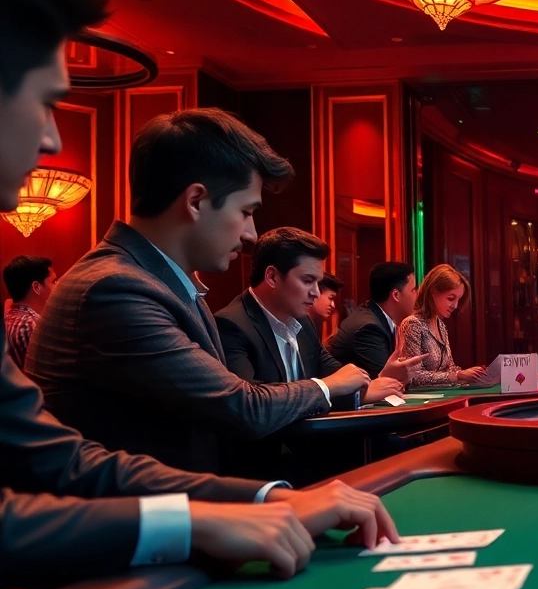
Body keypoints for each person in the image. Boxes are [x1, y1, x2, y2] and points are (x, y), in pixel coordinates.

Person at [0, 0, 389, 589]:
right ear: (196, 199)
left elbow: (67, 461)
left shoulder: (149, 280)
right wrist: (215, 517)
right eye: (47, 101)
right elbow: (51, 485)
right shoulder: (113, 288)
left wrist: (256, 501)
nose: (53, 139)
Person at [24, 109, 379, 473]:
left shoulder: (159, 281)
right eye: (246, 211)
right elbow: (241, 409)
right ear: (195, 201)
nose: (251, 235)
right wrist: (325, 388)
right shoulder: (115, 289)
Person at [215, 228, 410, 411]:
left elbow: (342, 378)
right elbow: (253, 406)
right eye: (308, 281)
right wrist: (326, 386)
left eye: (318, 282)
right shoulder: (231, 325)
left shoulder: (304, 324)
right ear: (272, 277)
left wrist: (379, 379)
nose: (316, 293)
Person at [397, 264, 489, 387]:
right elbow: (413, 377)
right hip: (423, 401)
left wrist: (469, 374)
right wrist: (457, 375)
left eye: (458, 300)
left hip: (442, 396)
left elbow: (449, 367)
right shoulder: (412, 324)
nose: (455, 306)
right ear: (433, 291)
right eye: (451, 298)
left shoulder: (440, 325)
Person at [328, 261, 417, 377]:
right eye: (413, 290)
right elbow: (387, 382)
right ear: (396, 295)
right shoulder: (369, 328)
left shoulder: (377, 316)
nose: (417, 295)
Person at [2, 255, 55, 369]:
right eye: (53, 282)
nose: (58, 287)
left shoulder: (9, 318)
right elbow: (45, 377)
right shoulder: (30, 325)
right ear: (36, 287)